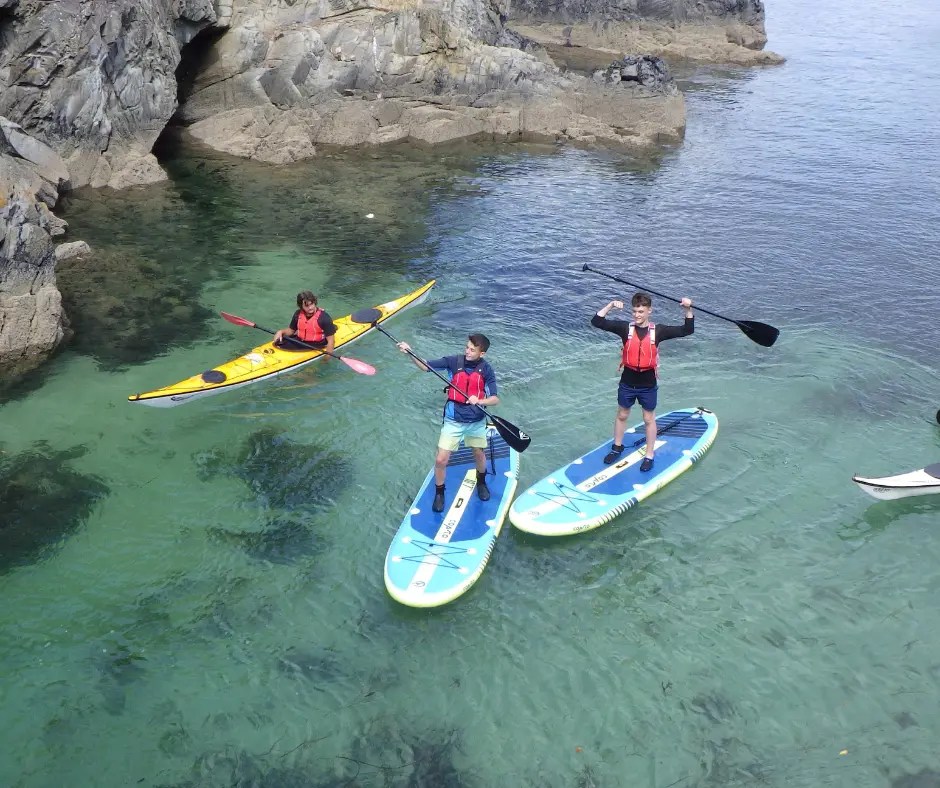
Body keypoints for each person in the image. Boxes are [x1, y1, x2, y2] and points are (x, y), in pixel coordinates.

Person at [591, 292, 694, 471]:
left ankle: (649, 455)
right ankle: (617, 447)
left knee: (648, 419)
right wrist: (610, 306)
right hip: (627, 381)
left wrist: (688, 309)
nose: (637, 315)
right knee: (622, 414)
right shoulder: (625, 328)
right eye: (634, 311)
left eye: (641, 311)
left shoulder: (659, 331)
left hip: (648, 384)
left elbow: (687, 330)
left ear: (649, 311)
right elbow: (597, 322)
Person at [397, 334, 500, 513]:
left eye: (472, 350)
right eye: (467, 347)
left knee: (478, 454)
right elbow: (425, 366)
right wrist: (409, 353)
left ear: (481, 353)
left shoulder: (487, 370)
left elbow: (495, 399)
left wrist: (480, 400)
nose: (467, 351)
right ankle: (439, 492)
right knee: (441, 459)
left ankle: (481, 482)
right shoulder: (453, 361)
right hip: (453, 420)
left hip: (476, 421)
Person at [273, 291, 337, 356]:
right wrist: (281, 332)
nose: (310, 307)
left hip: (316, 345)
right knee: (278, 343)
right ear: (301, 306)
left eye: (312, 304)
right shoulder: (298, 314)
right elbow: (291, 331)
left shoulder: (324, 318)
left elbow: (331, 341)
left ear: (314, 302)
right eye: (306, 305)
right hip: (300, 341)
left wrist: (326, 358)